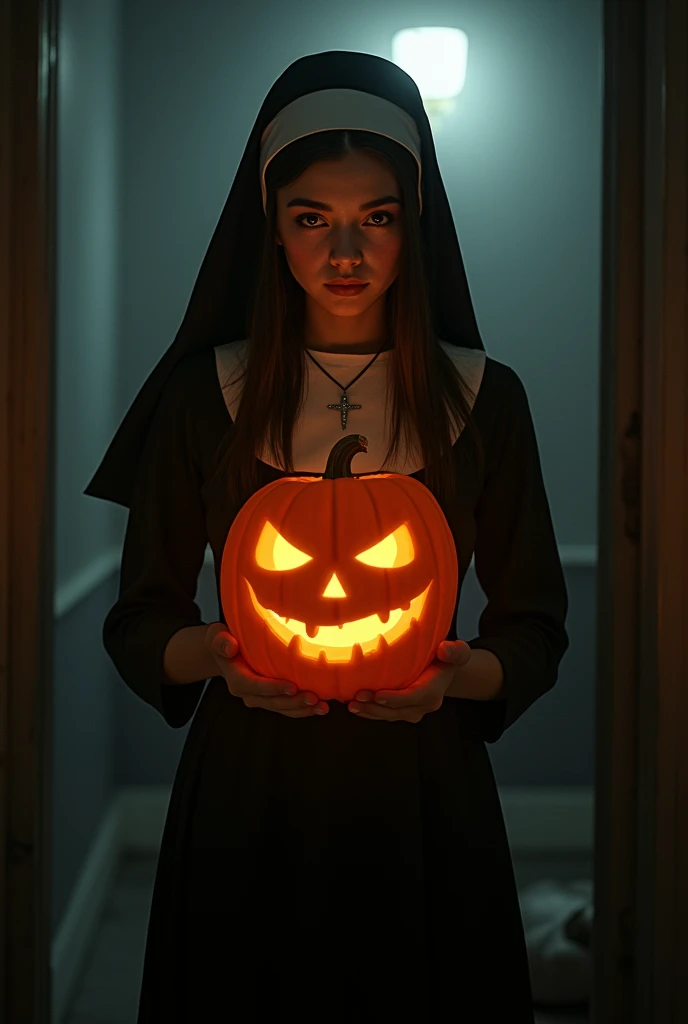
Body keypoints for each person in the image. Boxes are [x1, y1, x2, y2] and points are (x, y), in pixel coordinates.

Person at [85, 50, 569, 1023]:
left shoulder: (487, 402)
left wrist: (454, 676)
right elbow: (139, 618)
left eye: (375, 218)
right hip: (247, 789)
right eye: (312, 218)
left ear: (412, 226)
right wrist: (216, 659)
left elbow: (535, 626)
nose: (344, 252)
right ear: (271, 227)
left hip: (423, 796)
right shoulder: (202, 400)